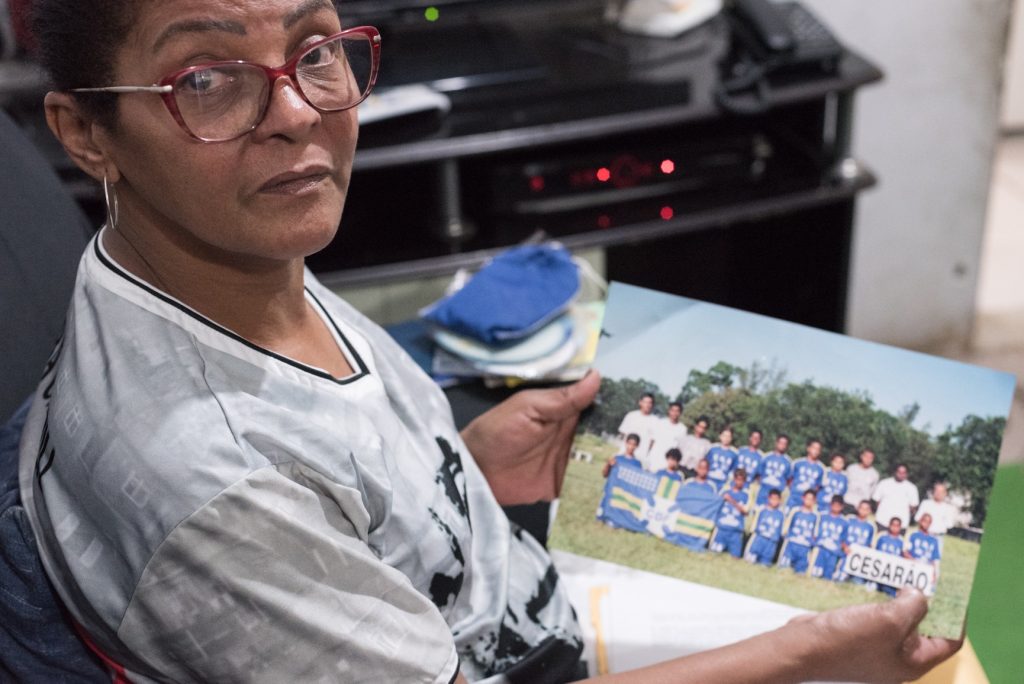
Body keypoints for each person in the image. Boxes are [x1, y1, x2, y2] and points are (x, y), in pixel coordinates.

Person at [16, 0, 960, 680]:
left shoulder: (213, 264)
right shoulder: (207, 481)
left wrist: (462, 469)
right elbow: (259, 502)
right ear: (86, 133)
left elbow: (324, 498)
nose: (299, 112)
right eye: (208, 80)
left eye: (314, 49)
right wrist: (809, 664)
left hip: (520, 604)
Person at [709, 468, 749, 558]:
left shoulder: (746, 494)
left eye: (742, 480)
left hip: (736, 531)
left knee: (735, 557)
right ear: (734, 479)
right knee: (713, 555)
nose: (739, 482)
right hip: (721, 528)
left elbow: (746, 511)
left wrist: (731, 501)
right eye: (738, 480)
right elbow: (715, 504)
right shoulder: (725, 490)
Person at [778, 489, 819, 574]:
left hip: (805, 546)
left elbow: (815, 532)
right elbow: (788, 524)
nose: (809, 501)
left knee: (800, 572)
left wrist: (811, 542)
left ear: (814, 501)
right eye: (807, 498)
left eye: (811, 499)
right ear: (803, 498)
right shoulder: (795, 510)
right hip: (791, 543)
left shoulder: (815, 515)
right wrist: (786, 535)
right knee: (783, 569)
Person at [873, 464, 920, 533]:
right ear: (895, 472)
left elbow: (913, 507)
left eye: (903, 473)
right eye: (899, 472)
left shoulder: (912, 488)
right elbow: (877, 501)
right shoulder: (884, 483)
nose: (901, 474)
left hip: (901, 525)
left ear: (907, 474)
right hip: (882, 521)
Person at [811, 495, 848, 581]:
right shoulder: (822, 516)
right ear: (830, 504)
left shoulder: (844, 521)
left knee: (828, 574)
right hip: (821, 548)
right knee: (815, 573)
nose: (836, 507)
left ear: (842, 507)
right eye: (834, 504)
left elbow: (843, 538)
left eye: (838, 505)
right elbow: (815, 532)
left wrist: (844, 547)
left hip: (833, 551)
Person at [839, 500, 876, 584]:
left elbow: (870, 545)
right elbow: (841, 537)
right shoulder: (849, 519)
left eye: (866, 509)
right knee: (840, 579)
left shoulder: (871, 526)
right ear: (857, 508)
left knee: (857, 582)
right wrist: (844, 547)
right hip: (846, 554)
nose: (863, 511)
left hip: (860, 557)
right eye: (861, 508)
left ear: (869, 511)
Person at [745, 489, 785, 566]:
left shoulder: (781, 514)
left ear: (780, 500)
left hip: (771, 542)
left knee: (765, 564)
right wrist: (752, 531)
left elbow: (782, 530)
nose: (774, 501)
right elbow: (755, 523)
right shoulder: (761, 509)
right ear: (768, 498)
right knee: (749, 561)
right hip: (759, 538)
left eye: (776, 499)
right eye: (772, 499)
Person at [644, 400, 687, 472]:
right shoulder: (660, 423)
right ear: (669, 411)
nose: (674, 413)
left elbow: (679, 449)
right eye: (672, 410)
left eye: (677, 411)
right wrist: (647, 456)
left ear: (680, 413)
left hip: (667, 464)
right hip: (653, 460)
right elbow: (652, 441)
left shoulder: (682, 429)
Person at [914, 482, 959, 550]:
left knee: (934, 560)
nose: (938, 494)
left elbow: (949, 525)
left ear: (945, 494)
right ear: (933, 491)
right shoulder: (926, 503)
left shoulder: (948, 508)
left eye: (941, 492)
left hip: (937, 538)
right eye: (936, 491)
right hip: (923, 536)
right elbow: (917, 518)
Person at [617, 393, 659, 459]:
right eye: (645, 402)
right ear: (640, 402)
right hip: (624, 454)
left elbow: (653, 442)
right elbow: (623, 434)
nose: (647, 405)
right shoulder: (631, 415)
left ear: (652, 405)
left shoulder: (655, 421)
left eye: (650, 403)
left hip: (640, 457)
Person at [785, 438, 825, 509]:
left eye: (818, 449)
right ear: (808, 448)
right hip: (794, 498)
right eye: (813, 448)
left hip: (808, 502)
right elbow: (789, 479)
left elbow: (818, 486)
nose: (815, 451)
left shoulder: (821, 468)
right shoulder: (797, 463)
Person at [755, 433, 792, 506]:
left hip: (777, 495)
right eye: (780, 443)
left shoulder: (788, 461)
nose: (782, 445)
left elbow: (789, 480)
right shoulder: (766, 457)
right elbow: (759, 474)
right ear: (776, 443)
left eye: (784, 444)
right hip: (763, 493)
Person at [876, 518, 907, 597]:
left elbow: (904, 555)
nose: (894, 527)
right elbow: (874, 550)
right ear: (889, 525)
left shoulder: (902, 541)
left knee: (888, 588)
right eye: (893, 525)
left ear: (900, 527)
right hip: (878, 567)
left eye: (897, 526)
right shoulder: (882, 536)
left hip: (891, 572)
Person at [843, 448, 880, 514]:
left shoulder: (874, 474)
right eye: (866, 456)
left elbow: (871, 491)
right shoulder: (851, 468)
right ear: (861, 456)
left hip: (861, 507)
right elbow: (845, 484)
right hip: (847, 502)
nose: (868, 459)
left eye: (870, 458)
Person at [705, 426, 738, 490]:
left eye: (728, 436)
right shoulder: (713, 448)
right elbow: (706, 463)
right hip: (709, 478)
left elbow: (733, 470)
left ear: (731, 438)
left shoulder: (734, 453)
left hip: (722, 482)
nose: (726, 438)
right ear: (720, 436)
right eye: (724, 435)